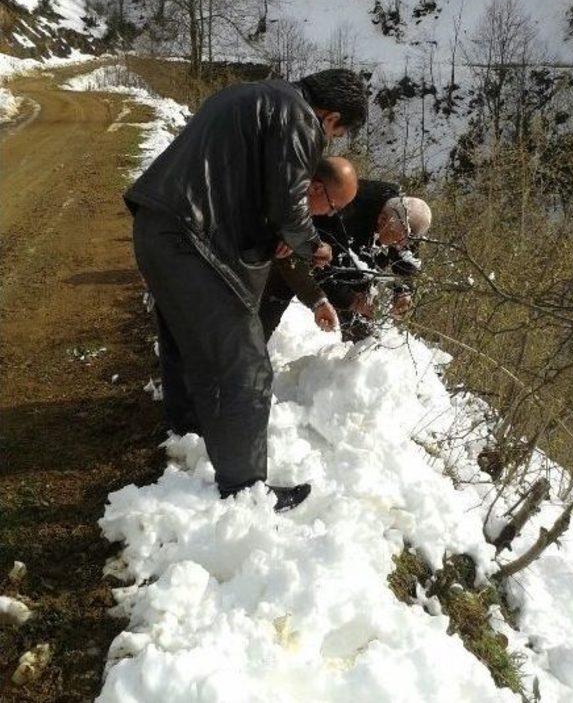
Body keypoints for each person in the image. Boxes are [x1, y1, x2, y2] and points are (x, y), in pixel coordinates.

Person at [125, 69, 368, 512]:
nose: (328, 141)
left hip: (156, 223)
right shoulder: (298, 117)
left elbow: (237, 183)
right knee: (248, 368)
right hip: (190, 239)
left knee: (184, 338)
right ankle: (245, 491)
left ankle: (188, 431)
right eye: (336, 132)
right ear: (330, 117)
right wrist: (314, 245)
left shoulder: (251, 96)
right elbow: (290, 205)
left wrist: (273, 227)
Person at [260, 180, 431, 343]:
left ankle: (355, 366)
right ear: (382, 220)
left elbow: (407, 257)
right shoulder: (345, 208)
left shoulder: (404, 216)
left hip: (356, 271)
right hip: (298, 253)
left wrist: (404, 291)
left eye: (402, 243)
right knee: (265, 316)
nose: (397, 247)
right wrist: (349, 301)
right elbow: (317, 263)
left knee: (363, 334)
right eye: (395, 241)